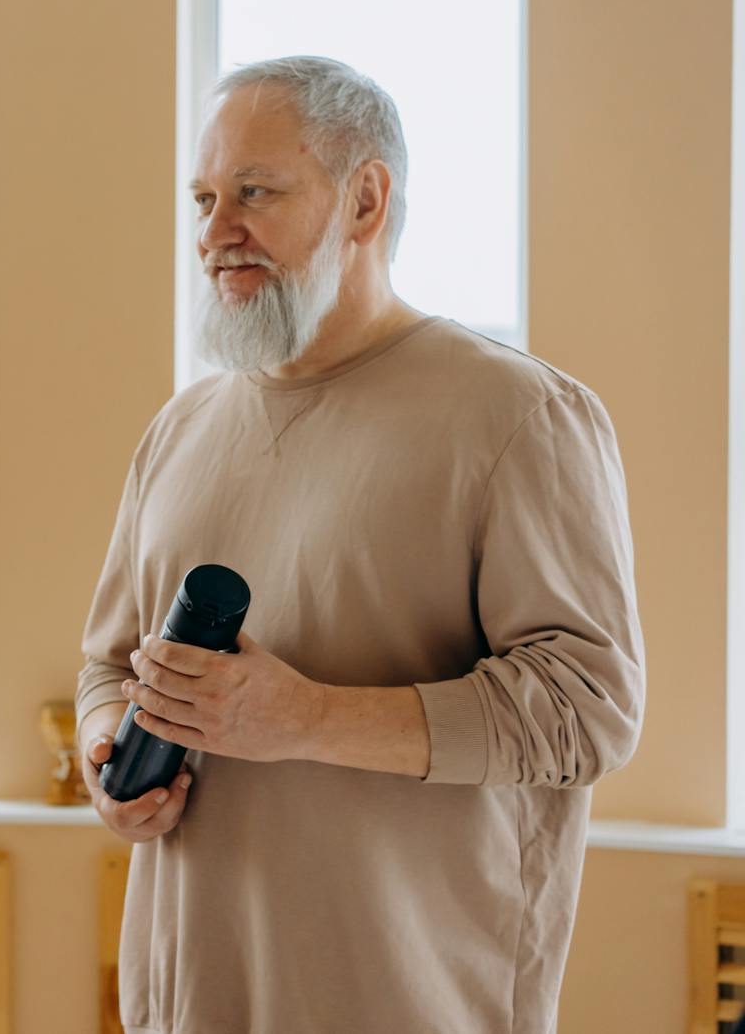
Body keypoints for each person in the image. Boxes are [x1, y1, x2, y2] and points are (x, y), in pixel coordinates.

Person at [76, 56, 644, 1033]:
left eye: (254, 191)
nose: (215, 232)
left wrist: (305, 716)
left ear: (364, 198)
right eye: (205, 197)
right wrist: (106, 757)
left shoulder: (518, 415)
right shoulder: (182, 425)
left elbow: (586, 711)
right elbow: (107, 662)